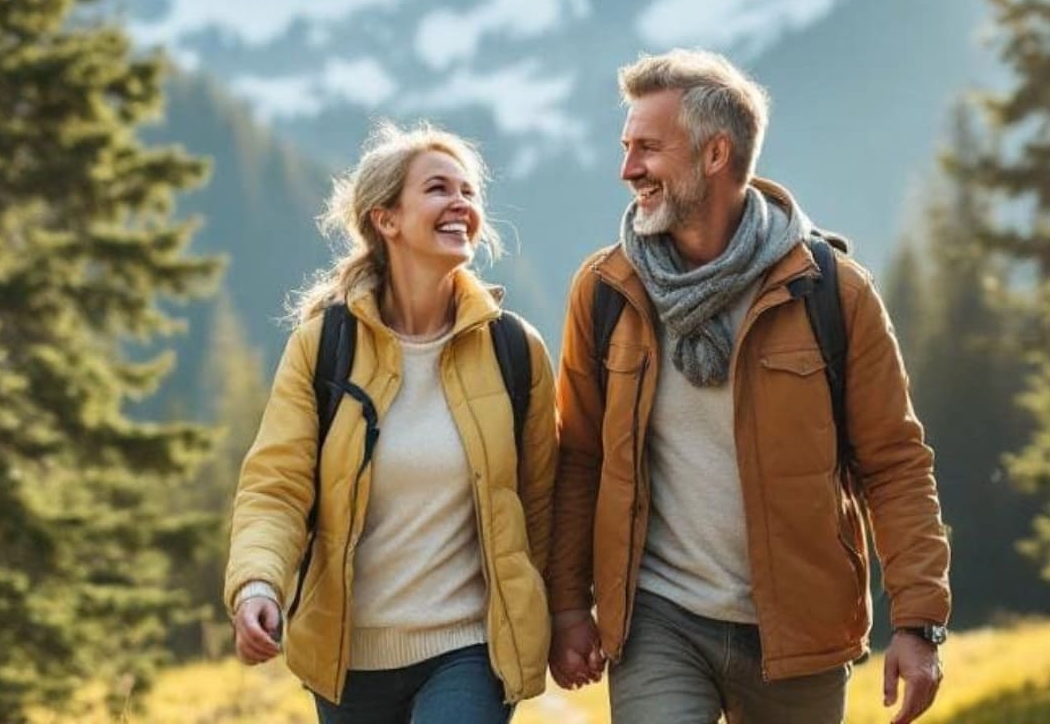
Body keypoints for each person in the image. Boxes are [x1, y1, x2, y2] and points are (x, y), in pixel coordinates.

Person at [547, 49, 952, 724]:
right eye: (625, 147)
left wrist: (918, 623)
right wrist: (567, 605)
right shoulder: (607, 291)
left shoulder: (832, 292)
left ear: (715, 155)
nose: (627, 171)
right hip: (658, 622)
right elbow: (580, 458)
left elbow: (893, 464)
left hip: (799, 630)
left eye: (648, 148)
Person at [224, 122, 557, 723]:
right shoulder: (323, 347)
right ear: (386, 219)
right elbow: (276, 488)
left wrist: (568, 618)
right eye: (438, 189)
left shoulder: (514, 349)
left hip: (470, 650)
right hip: (348, 657)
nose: (462, 204)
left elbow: (542, 505)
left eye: (468, 191)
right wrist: (257, 584)